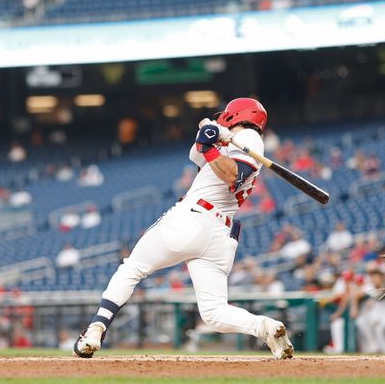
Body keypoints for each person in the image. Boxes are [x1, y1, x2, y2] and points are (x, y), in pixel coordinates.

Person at [73, 98, 294, 360]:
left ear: (235, 115)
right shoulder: (234, 141)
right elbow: (197, 154)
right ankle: (264, 327)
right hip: (218, 236)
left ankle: (96, 328)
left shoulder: (249, 136)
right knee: (213, 313)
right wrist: (211, 137)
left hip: (193, 219)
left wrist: (214, 141)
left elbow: (232, 176)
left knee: (131, 268)